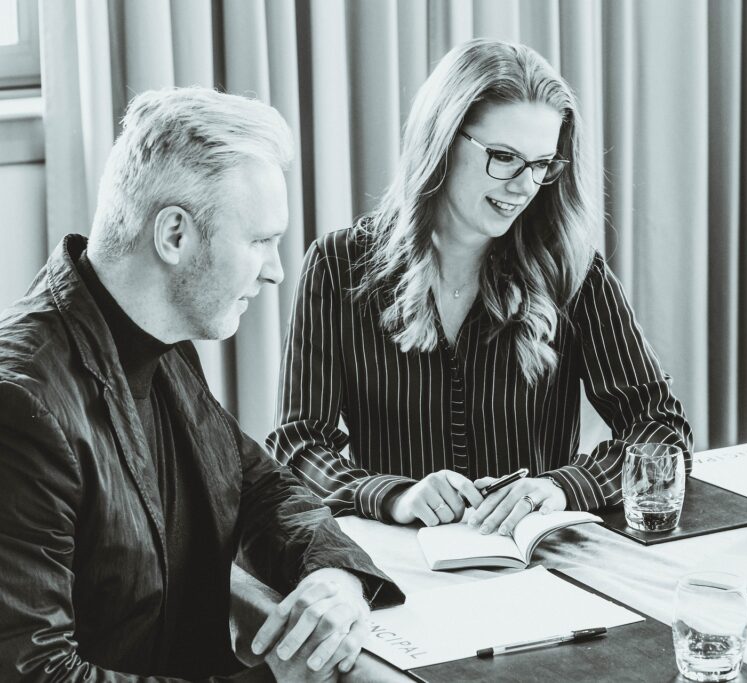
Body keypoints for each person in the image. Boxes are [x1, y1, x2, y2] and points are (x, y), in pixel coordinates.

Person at [0, 87, 404, 681]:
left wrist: (333, 577)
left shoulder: (159, 341)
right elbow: (36, 672)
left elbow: (259, 485)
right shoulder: (22, 403)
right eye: (260, 241)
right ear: (174, 236)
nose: (276, 271)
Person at [269, 38, 693, 538]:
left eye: (541, 164)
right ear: (443, 140)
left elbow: (662, 430)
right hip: (405, 567)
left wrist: (560, 488)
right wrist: (395, 495)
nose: (523, 186)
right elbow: (297, 445)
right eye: (504, 156)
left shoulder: (572, 272)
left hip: (538, 567)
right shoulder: (338, 266)